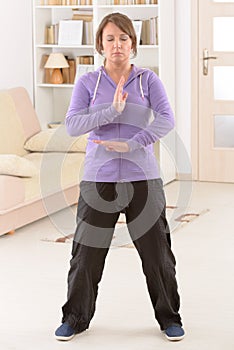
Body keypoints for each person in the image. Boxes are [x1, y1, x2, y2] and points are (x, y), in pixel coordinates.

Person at [55, 12, 185, 342]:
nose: (117, 45)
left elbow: (166, 119)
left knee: (158, 254)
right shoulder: (87, 82)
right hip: (99, 177)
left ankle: (169, 317)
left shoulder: (147, 80)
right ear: (100, 44)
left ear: (133, 44)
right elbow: (72, 125)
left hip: (143, 177)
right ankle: (75, 317)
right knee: (85, 254)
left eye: (123, 38)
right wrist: (110, 111)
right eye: (110, 38)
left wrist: (133, 142)